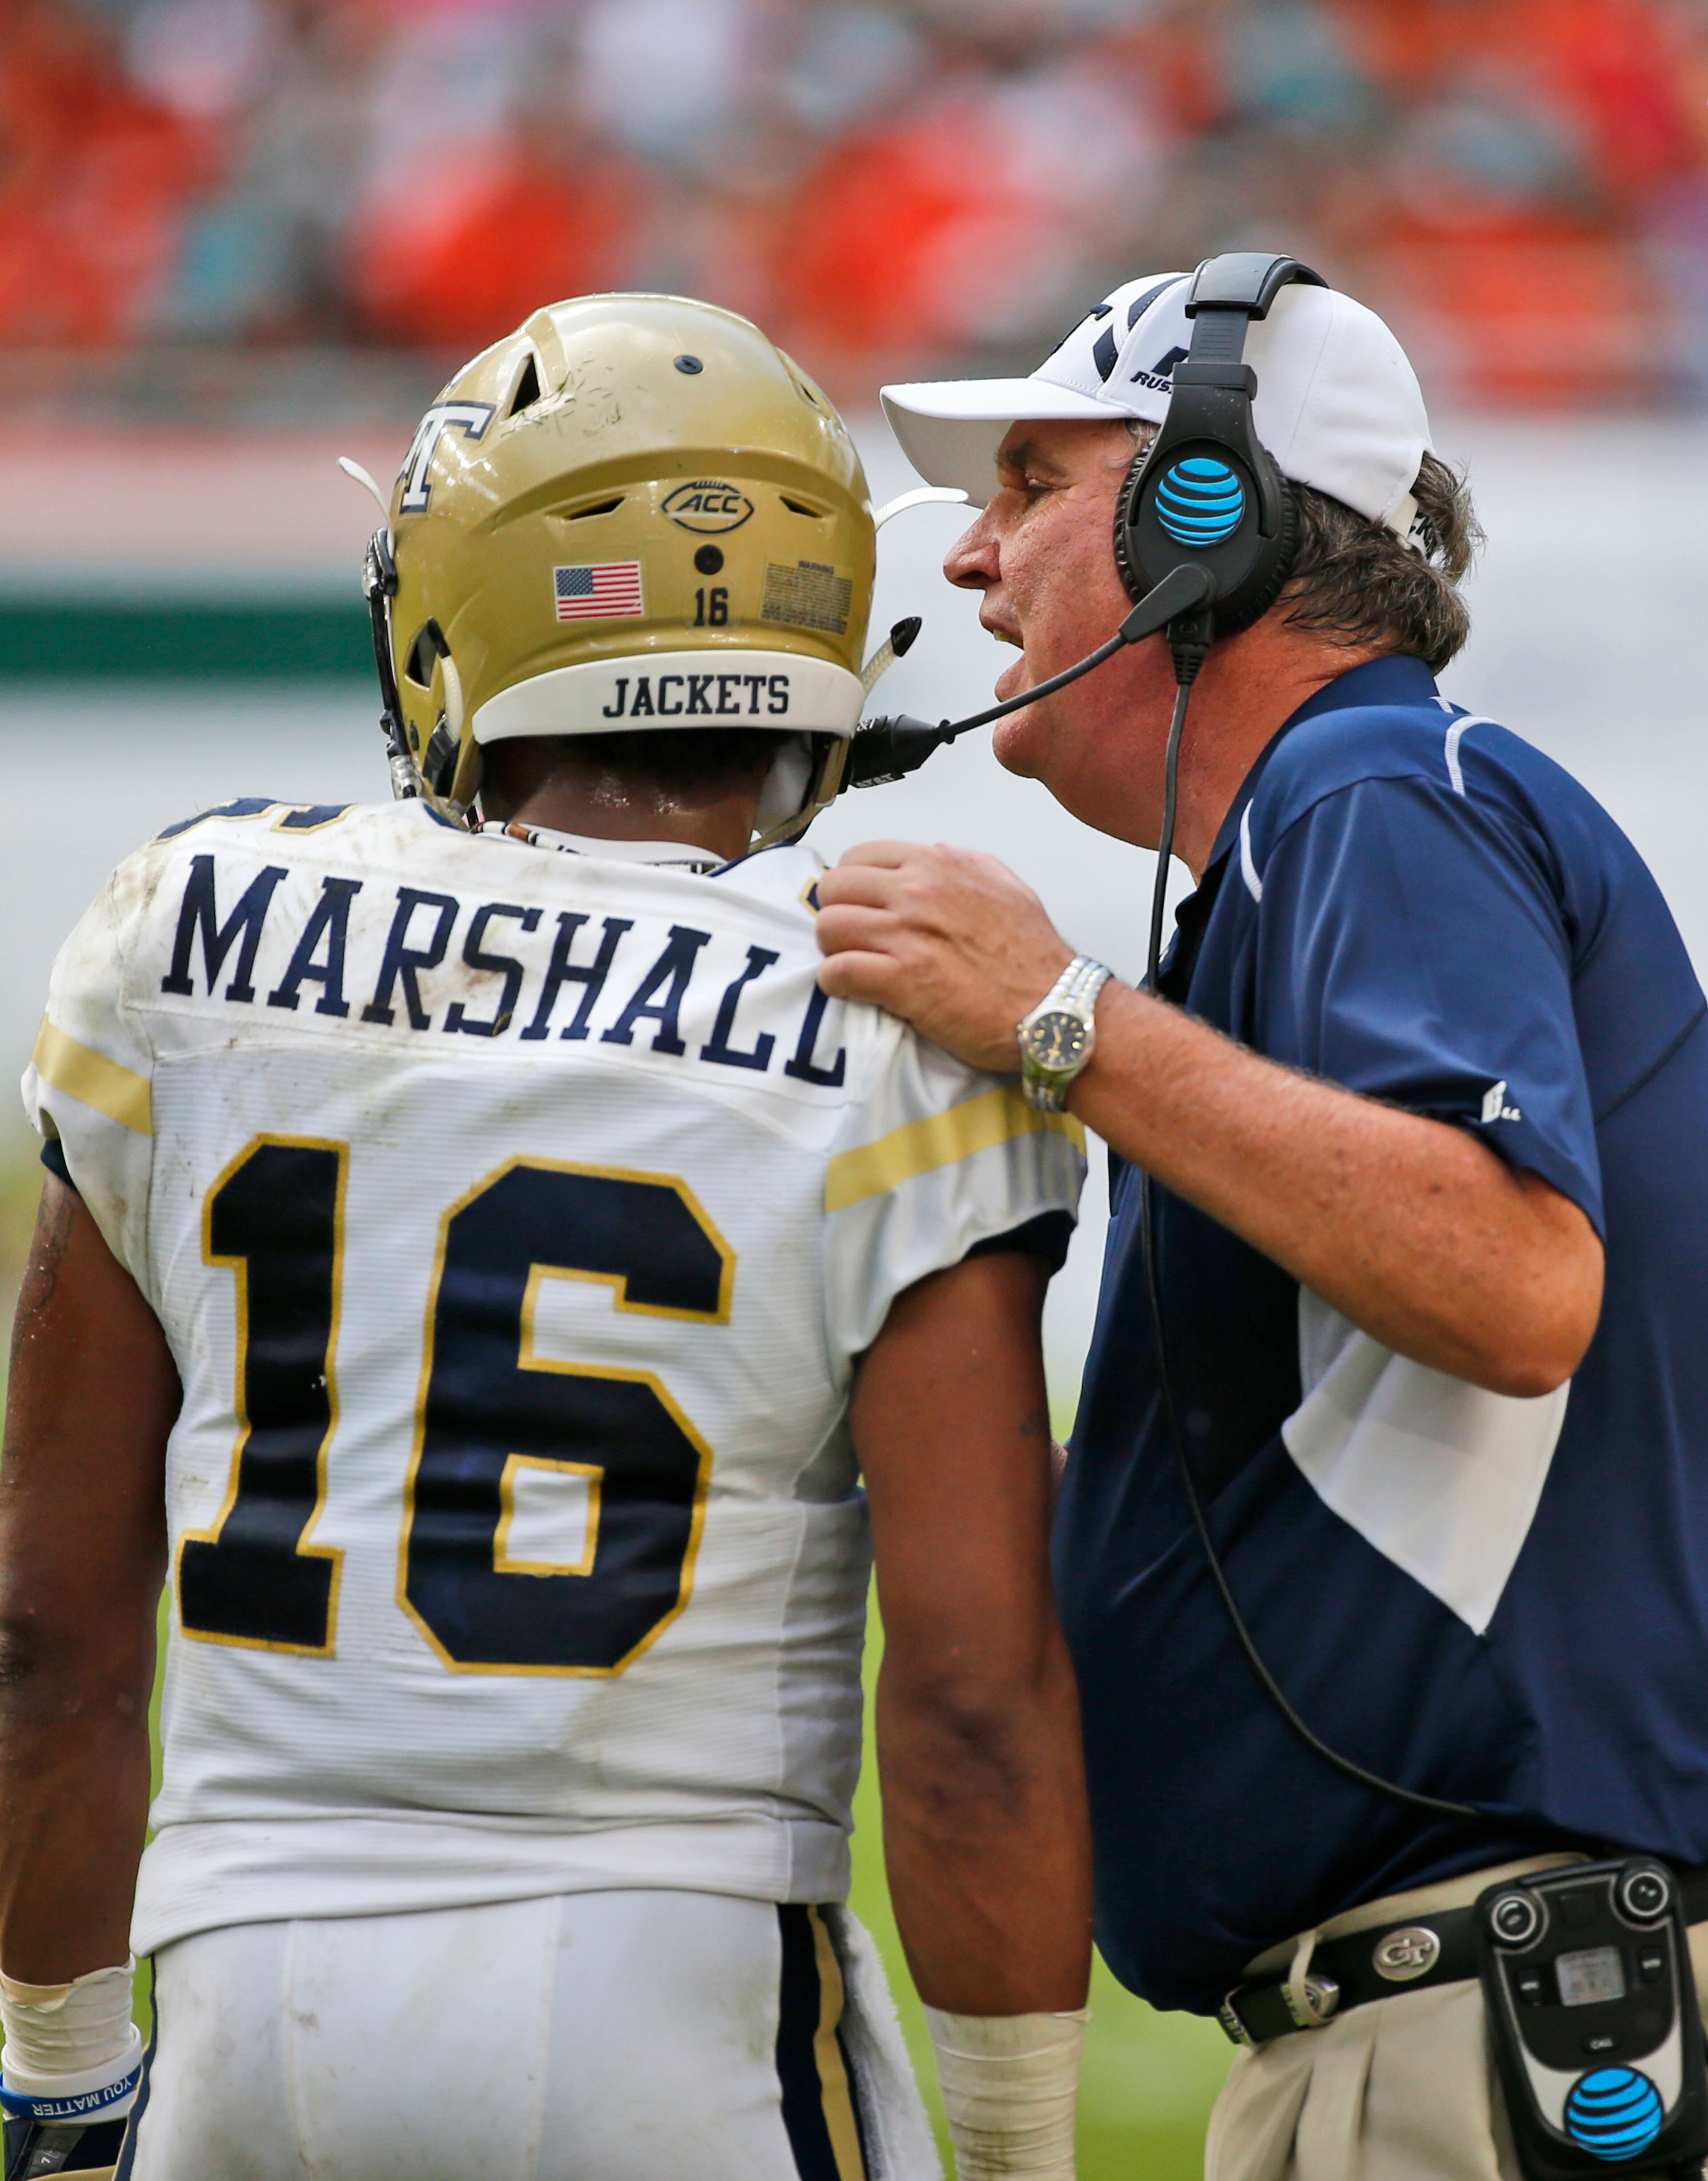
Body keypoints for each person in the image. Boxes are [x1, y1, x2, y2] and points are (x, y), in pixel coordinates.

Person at [0, 296, 1094, 2181]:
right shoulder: (894, 1004)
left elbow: (48, 1626)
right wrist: (1017, 2154)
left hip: (247, 2002)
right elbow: (977, 1697)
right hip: (671, 1994)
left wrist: (57, 2071)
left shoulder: (183, 921)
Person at [814, 264, 1708, 2179]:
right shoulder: (1325, 840)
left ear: (1201, 515)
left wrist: (1059, 1015)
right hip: (1461, 2011)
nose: (974, 560)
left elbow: (1514, 1272)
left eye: (1030, 484)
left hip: (1494, 2021)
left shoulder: (1378, 785)